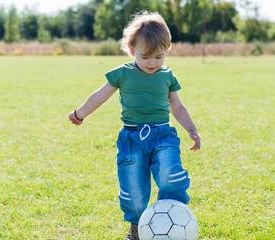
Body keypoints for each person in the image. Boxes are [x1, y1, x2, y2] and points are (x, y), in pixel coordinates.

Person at [68, 11, 200, 240]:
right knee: (133, 191)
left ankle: (173, 218)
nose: (152, 63)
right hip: (131, 139)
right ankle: (138, 228)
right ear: (131, 50)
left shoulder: (168, 76)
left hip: (163, 135)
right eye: (145, 56)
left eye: (159, 57)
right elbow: (100, 95)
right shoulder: (122, 73)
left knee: (171, 176)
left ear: (167, 49)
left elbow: (177, 107)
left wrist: (191, 129)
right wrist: (80, 113)